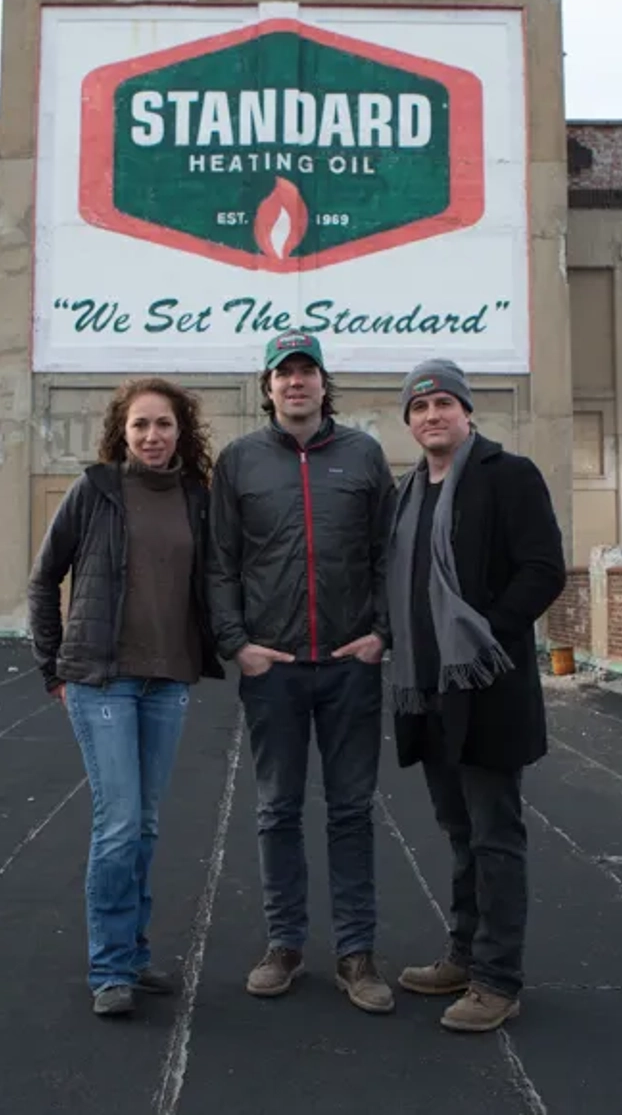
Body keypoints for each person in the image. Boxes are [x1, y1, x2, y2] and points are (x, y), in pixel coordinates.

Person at [207, 331, 398, 1013]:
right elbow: (221, 562)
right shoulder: (238, 462)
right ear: (267, 387)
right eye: (283, 373)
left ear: (324, 383)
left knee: (351, 812)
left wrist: (383, 633)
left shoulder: (364, 457)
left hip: (350, 666)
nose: (295, 383)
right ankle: (284, 944)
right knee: (276, 810)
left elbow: (388, 556)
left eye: (306, 371)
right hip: (274, 668)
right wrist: (237, 643)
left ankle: (355, 953)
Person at [28, 376, 225, 1018]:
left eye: (163, 424)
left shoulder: (197, 499)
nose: (152, 436)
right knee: (117, 824)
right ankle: (109, 968)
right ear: (123, 431)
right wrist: (53, 667)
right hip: (101, 679)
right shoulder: (96, 491)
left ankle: (133, 957)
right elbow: (43, 577)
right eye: (140, 425)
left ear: (181, 431)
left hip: (166, 680)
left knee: (143, 824)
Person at [384, 358, 566, 1033]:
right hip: (428, 689)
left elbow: (544, 568)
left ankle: (498, 977)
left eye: (443, 403)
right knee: (458, 829)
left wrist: (487, 632)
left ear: (467, 411)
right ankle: (463, 952)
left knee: (495, 833)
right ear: (408, 421)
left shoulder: (507, 474)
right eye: (420, 406)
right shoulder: (407, 494)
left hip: (485, 686)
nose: (432, 415)